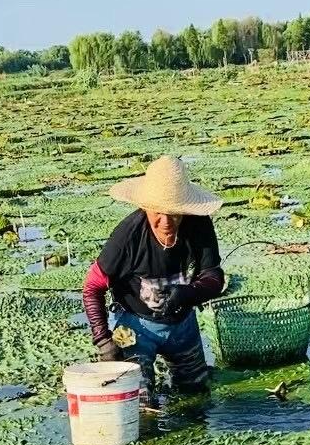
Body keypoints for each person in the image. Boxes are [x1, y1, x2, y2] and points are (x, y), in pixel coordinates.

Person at [82, 155, 225, 404]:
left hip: (182, 326)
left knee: (196, 397)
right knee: (140, 403)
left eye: (175, 213)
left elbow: (214, 276)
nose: (167, 222)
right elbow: (92, 288)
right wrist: (103, 340)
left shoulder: (199, 225)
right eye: (158, 212)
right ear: (146, 207)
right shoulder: (127, 237)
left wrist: (186, 294)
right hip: (136, 329)